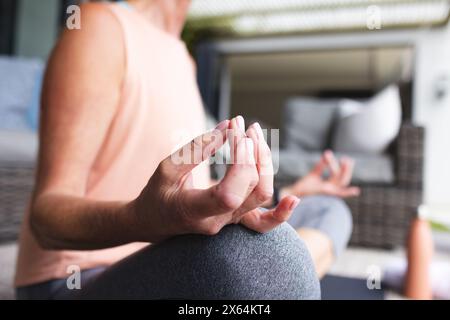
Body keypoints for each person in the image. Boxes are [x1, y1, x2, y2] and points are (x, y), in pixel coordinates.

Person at [14, 0, 358, 300]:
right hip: (77, 278)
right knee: (269, 259)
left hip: (176, 256)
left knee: (327, 210)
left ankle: (287, 284)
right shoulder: (98, 27)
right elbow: (45, 218)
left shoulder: (183, 58)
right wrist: (142, 220)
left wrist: (288, 196)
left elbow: (198, 202)